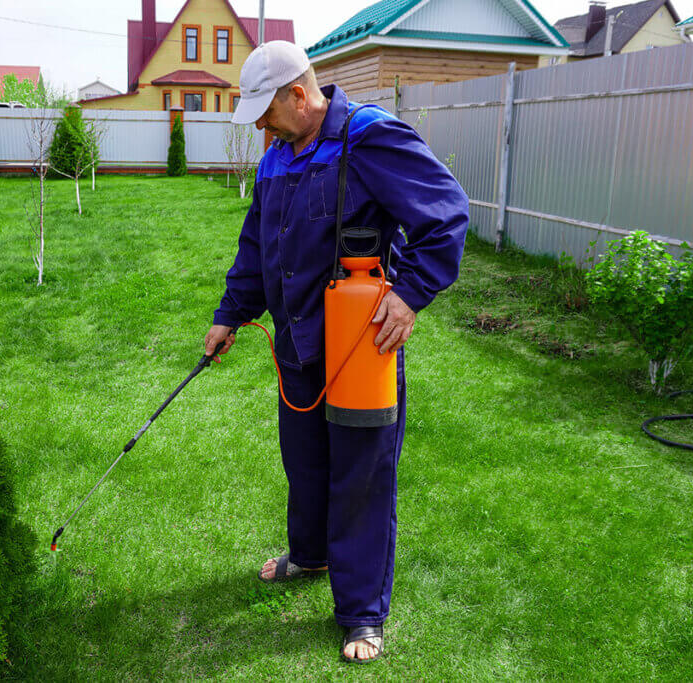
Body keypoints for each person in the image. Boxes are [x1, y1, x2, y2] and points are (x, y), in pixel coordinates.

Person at [204, 40, 469, 663]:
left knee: (361, 479)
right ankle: (312, 554)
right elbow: (256, 246)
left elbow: (445, 212)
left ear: (299, 94)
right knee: (306, 465)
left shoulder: (369, 137)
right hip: (297, 343)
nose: (261, 126)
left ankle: (360, 613)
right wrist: (230, 315)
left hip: (359, 347)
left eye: (266, 111)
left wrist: (409, 294)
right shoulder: (277, 156)